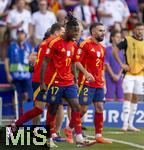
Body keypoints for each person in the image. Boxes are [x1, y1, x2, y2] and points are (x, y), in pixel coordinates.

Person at [40, 14, 95, 147]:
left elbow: (73, 63)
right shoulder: (54, 43)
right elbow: (45, 62)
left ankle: (79, 138)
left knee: (76, 106)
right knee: (52, 109)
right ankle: (48, 138)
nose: (77, 34)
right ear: (68, 30)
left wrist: (75, 81)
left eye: (78, 31)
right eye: (75, 31)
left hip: (69, 82)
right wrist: (42, 83)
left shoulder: (74, 44)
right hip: (55, 82)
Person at [7, 23, 65, 148]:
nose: (63, 34)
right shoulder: (52, 43)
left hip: (46, 79)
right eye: (62, 32)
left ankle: (48, 135)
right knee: (43, 108)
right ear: (56, 33)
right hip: (41, 80)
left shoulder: (47, 43)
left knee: (50, 107)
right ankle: (19, 125)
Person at [75, 22, 112, 144]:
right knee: (83, 109)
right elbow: (77, 62)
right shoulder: (85, 44)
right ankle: (70, 128)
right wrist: (85, 73)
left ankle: (98, 135)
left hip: (98, 83)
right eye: (100, 30)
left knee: (100, 107)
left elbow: (101, 68)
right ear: (93, 32)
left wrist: (104, 83)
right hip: (86, 82)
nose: (103, 33)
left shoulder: (102, 48)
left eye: (104, 30)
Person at [113, 22, 144, 132]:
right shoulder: (127, 40)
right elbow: (115, 50)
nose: (140, 31)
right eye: (138, 29)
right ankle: (125, 124)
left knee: (135, 99)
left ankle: (131, 124)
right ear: (134, 30)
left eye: (142, 29)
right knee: (128, 97)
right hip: (128, 75)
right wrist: (121, 64)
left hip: (140, 75)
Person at [4, 29, 32, 117]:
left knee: (27, 96)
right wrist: (8, 74)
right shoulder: (12, 46)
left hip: (26, 76)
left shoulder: (28, 46)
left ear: (25, 35)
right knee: (17, 96)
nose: (20, 35)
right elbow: (6, 60)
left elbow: (32, 61)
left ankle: (24, 114)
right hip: (15, 76)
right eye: (18, 34)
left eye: (22, 34)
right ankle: (17, 114)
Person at [105, 30, 124, 102]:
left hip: (120, 78)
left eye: (120, 37)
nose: (119, 39)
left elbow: (123, 64)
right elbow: (106, 63)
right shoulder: (107, 49)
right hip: (109, 77)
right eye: (117, 37)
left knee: (121, 99)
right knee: (109, 99)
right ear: (112, 38)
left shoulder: (122, 50)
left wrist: (118, 76)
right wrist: (113, 75)